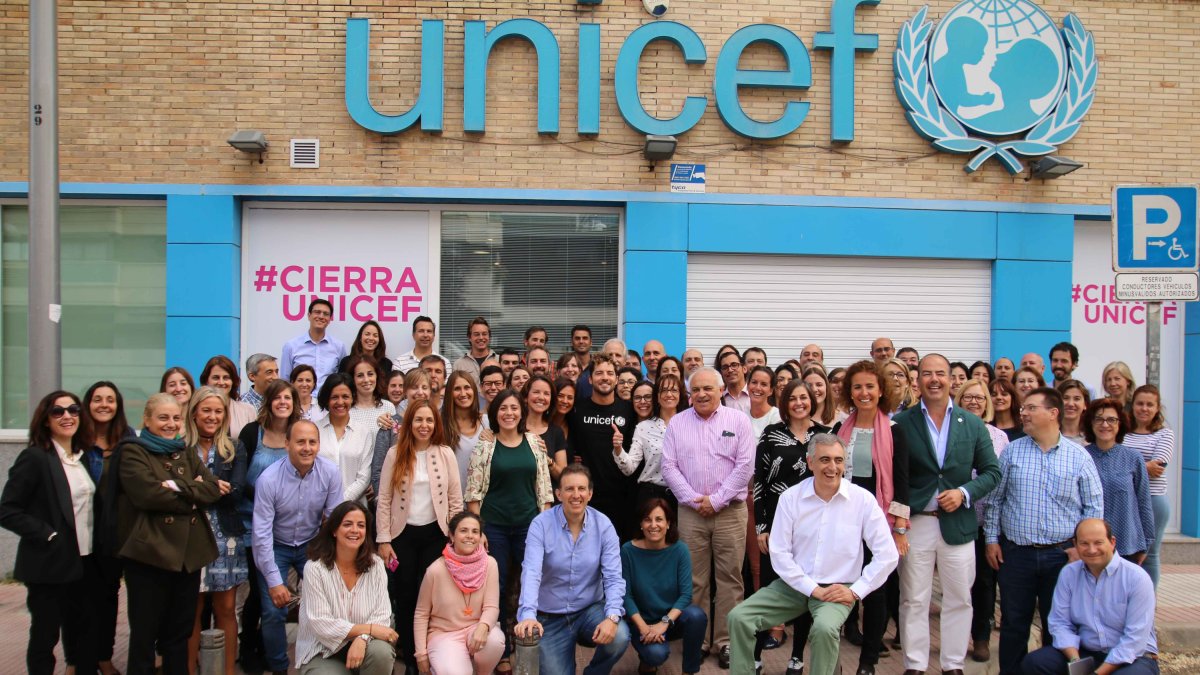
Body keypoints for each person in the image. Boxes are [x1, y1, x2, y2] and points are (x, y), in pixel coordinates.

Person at [728, 435, 899, 675]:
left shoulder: (862, 500)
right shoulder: (791, 498)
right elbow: (779, 553)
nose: (832, 467)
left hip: (839, 587)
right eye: (825, 459)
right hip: (795, 585)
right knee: (739, 618)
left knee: (824, 629)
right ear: (810, 462)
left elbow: (888, 554)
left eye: (838, 460)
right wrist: (812, 588)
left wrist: (855, 590)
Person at [984, 387, 1104, 675]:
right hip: (1017, 555)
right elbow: (995, 500)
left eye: (1030, 408)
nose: (1023, 413)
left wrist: (1081, 548)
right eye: (1023, 408)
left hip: (1063, 557)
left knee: (1059, 625)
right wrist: (991, 540)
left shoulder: (1079, 457)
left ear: (1053, 413)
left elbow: (1094, 507)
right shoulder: (1012, 452)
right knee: (1014, 624)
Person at [892, 356, 1000, 675]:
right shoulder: (902, 423)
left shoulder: (972, 423)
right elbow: (895, 480)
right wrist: (898, 523)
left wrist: (964, 493)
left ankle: (952, 664)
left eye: (941, 374)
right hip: (917, 522)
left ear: (952, 380)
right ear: (918, 380)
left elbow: (992, 472)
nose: (935, 380)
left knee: (959, 598)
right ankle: (915, 664)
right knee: (913, 598)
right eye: (928, 374)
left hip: (958, 524)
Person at [113, 393, 222, 675]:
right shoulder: (132, 451)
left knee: (179, 634)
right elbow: (148, 494)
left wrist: (175, 486)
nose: (170, 424)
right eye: (163, 418)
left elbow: (212, 488)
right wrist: (192, 492)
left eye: (175, 418)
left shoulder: (184, 450)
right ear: (147, 420)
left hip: (187, 557)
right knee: (144, 636)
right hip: (150, 556)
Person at [662, 366, 755, 667]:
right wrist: (693, 500)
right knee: (695, 580)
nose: (702, 394)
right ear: (689, 394)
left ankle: (726, 642)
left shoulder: (738, 421)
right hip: (691, 513)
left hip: (729, 511)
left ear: (719, 391)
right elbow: (668, 467)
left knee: (730, 579)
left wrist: (715, 501)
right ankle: (698, 639)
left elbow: (745, 467)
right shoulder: (677, 423)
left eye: (708, 389)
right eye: (696, 390)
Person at [0, 391, 99, 675]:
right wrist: (48, 534)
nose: (67, 416)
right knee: (45, 635)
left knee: (79, 629)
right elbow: (7, 510)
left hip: (82, 560)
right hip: (48, 563)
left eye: (73, 410)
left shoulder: (79, 457)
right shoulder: (34, 457)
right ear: (45, 420)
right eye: (58, 411)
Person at [831, 360, 912, 675]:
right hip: (844, 520)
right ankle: (839, 649)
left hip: (879, 522)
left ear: (881, 391)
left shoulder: (895, 431)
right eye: (857, 387)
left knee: (876, 591)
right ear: (850, 392)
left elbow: (902, 483)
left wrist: (900, 529)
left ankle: (867, 662)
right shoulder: (841, 429)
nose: (863, 393)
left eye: (869, 386)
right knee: (842, 585)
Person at [464, 388, 553, 666]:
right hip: (495, 528)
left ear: (521, 412)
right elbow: (474, 492)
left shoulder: (534, 443)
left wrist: (545, 526)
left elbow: (544, 489)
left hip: (530, 526)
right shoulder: (485, 445)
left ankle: (533, 643)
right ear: (495, 413)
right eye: (503, 408)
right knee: (497, 587)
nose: (509, 413)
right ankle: (501, 650)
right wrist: (479, 531)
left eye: (514, 408)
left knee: (532, 583)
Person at [514, 464, 631, 674]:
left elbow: (613, 577)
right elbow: (531, 572)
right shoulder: (540, 525)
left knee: (620, 634)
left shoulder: (604, 525)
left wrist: (612, 616)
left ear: (590, 493)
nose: (576, 495)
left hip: (589, 610)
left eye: (581, 489)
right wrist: (528, 614)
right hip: (549, 616)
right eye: (569, 489)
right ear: (558, 494)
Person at [376, 400, 463, 671]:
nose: (424, 426)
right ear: (409, 424)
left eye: (429, 420)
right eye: (418, 420)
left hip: (436, 534)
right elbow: (384, 499)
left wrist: (455, 536)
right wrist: (384, 539)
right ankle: (412, 657)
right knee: (405, 596)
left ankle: (431, 652)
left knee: (432, 597)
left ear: (435, 424)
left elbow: (455, 498)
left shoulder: (445, 453)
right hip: (403, 535)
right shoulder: (395, 453)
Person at [252, 419, 343, 675]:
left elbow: (336, 520)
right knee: (273, 610)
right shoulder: (268, 480)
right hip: (276, 545)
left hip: (311, 544)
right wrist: (274, 581)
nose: (307, 448)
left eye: (312, 442)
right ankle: (279, 668)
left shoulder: (330, 472)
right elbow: (261, 535)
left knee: (331, 601)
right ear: (287, 444)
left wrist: (333, 563)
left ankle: (327, 660)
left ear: (318, 445)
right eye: (300, 442)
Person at [752, 379, 831, 672]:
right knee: (769, 592)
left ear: (812, 400)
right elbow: (759, 482)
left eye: (804, 397)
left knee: (805, 591)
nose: (799, 403)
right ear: (785, 404)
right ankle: (757, 654)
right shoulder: (772, 434)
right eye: (793, 398)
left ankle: (797, 657)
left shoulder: (824, 435)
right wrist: (761, 527)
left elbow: (834, 479)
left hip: (812, 529)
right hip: (775, 526)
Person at [1019, 519, 1159, 675]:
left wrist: (1097, 674)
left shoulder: (1137, 578)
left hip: (1133, 658)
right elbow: (1060, 623)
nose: (1092, 550)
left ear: (1112, 542)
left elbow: (1134, 641)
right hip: (1085, 652)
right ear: (1075, 544)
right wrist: (1076, 663)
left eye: (1098, 542)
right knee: (1035, 663)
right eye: (1084, 543)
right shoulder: (1069, 574)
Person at [235, 378, 300, 672]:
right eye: (278, 398)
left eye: (288, 398)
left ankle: (265, 645)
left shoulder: (298, 432)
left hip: (287, 526)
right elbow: (240, 479)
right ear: (269, 402)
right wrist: (268, 498)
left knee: (272, 596)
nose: (283, 403)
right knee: (258, 592)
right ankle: (249, 647)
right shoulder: (252, 433)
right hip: (254, 524)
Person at [184, 386, 249, 675]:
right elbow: (177, 492)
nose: (212, 416)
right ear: (194, 412)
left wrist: (198, 485)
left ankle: (227, 672)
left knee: (225, 610)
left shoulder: (234, 447)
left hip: (227, 540)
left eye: (218, 411)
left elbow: (235, 493)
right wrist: (210, 487)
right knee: (191, 612)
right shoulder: (181, 448)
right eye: (206, 410)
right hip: (190, 536)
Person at [295, 501, 398, 675]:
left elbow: (382, 614)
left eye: (361, 525)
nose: (355, 530)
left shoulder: (376, 566)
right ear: (334, 530)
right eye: (347, 524)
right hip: (323, 651)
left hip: (365, 646)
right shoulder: (314, 569)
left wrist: (363, 637)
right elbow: (322, 623)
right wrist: (369, 629)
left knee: (381, 653)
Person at [954, 377, 1010, 662]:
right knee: (958, 584)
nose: (973, 402)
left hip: (987, 522)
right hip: (956, 520)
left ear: (987, 403)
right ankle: (956, 638)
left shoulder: (999, 437)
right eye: (968, 397)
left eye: (979, 398)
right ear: (959, 400)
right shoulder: (949, 431)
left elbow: (1002, 479)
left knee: (985, 583)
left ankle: (982, 638)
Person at [81, 382, 134, 675]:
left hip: (113, 534)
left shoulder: (126, 441)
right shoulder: (77, 441)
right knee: (79, 600)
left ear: (118, 406)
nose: (104, 405)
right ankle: (77, 661)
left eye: (110, 400)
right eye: (98, 399)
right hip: (80, 533)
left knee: (108, 598)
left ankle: (103, 656)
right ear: (88, 403)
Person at [621, 498, 706, 675]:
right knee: (656, 655)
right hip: (641, 621)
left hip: (670, 619)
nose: (653, 525)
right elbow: (626, 596)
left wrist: (664, 623)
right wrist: (644, 628)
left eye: (659, 519)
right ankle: (647, 661)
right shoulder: (628, 551)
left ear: (668, 524)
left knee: (697, 616)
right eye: (647, 519)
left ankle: (689, 671)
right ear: (641, 524)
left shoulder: (680, 550)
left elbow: (686, 595)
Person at [413, 511, 505, 675]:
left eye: (475, 531)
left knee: (495, 641)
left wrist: (483, 627)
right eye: (463, 531)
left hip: (475, 630)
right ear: (452, 536)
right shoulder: (435, 570)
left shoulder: (490, 564)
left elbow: (492, 606)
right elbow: (421, 613)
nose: (470, 536)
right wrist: (421, 654)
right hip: (445, 635)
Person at [568, 354, 638, 540]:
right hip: (587, 496)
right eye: (599, 373)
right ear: (590, 379)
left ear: (616, 379)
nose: (605, 377)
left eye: (609, 373)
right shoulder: (576, 409)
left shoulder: (629, 410)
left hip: (621, 496)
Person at [1082, 399, 1154, 564]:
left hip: (1127, 543)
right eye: (1099, 419)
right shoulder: (1081, 456)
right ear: (1090, 423)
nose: (1105, 424)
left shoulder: (1133, 458)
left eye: (1111, 419)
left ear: (1120, 424)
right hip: (1090, 545)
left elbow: (1144, 502)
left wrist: (1147, 543)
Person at [1122, 384, 1174, 589]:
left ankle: (1147, 605)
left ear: (1157, 407)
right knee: (1127, 551)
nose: (1144, 408)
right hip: (1126, 500)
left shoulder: (1165, 434)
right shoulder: (1123, 433)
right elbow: (1116, 462)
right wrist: (1144, 465)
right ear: (1132, 406)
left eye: (1149, 405)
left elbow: (1158, 467)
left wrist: (1126, 466)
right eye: (1140, 404)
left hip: (1154, 500)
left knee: (1150, 554)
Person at [615, 374, 687, 512]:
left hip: (683, 495)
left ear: (681, 394)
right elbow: (628, 468)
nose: (669, 394)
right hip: (651, 495)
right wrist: (618, 449)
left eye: (674, 390)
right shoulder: (644, 427)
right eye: (664, 390)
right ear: (657, 396)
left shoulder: (692, 424)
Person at [317, 373, 374, 503]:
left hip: (354, 511)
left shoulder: (363, 432)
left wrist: (338, 504)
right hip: (318, 510)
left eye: (345, 397)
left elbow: (364, 478)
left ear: (353, 398)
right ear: (326, 399)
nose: (340, 402)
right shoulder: (315, 430)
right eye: (334, 397)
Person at [281, 298, 348, 388]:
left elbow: (343, 379)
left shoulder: (339, 347)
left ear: (329, 319)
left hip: (328, 400)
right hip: (300, 400)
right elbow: (285, 381)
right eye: (317, 312)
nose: (321, 316)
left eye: (326, 314)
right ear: (309, 315)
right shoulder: (291, 346)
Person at [442, 369, 489, 488]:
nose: (463, 393)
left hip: (483, 500)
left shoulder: (487, 422)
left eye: (467, 387)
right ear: (449, 393)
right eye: (457, 389)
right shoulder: (441, 425)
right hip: (453, 501)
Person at [523, 374, 568, 480]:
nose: (541, 397)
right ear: (526, 397)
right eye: (536, 392)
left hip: (548, 494)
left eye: (546, 394)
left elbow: (563, 477)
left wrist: (548, 461)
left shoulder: (556, 432)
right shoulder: (514, 428)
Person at [201, 355, 257, 435]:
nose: (221, 382)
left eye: (226, 378)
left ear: (233, 381)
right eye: (216, 378)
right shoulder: (197, 409)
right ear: (206, 381)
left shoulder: (248, 411)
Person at [345, 354, 396, 435]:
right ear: (353, 379)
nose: (366, 379)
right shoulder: (346, 409)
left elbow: (395, 440)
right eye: (360, 375)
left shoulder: (388, 407)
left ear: (377, 376)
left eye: (370, 374)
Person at [452, 316, 499, 383]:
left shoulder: (498, 360)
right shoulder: (459, 365)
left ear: (489, 336)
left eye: (484, 334)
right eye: (476, 334)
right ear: (469, 337)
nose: (481, 337)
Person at [1057, 379, 1091, 445]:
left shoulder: (1092, 438)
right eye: (1065, 398)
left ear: (1085, 405)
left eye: (1077, 399)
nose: (1070, 404)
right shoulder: (1048, 435)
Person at [991, 377, 1025, 441]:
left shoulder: (1025, 429)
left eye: (1004, 394)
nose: (999, 397)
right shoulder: (985, 429)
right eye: (994, 394)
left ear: (1013, 398)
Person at [719, 350, 751, 414]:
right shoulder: (719, 398)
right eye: (725, 367)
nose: (730, 370)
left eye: (734, 365)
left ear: (744, 369)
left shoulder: (755, 394)